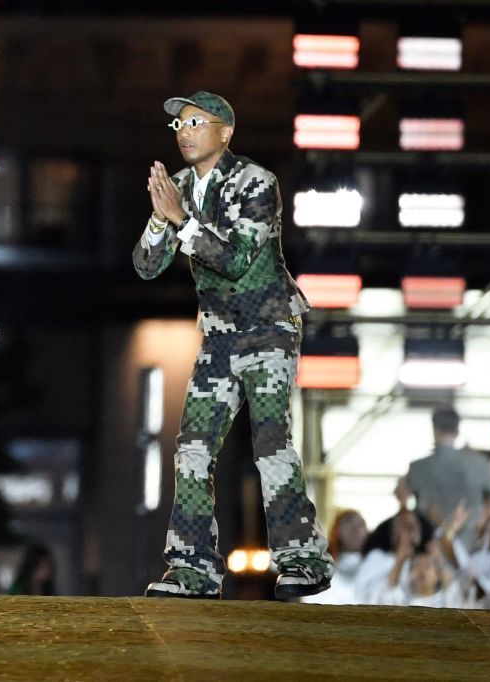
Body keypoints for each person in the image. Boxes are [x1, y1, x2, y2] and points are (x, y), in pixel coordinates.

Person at [134, 91, 333, 600]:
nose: (184, 130)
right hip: (220, 334)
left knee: (270, 441)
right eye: (178, 123)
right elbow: (145, 266)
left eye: (196, 121)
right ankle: (194, 570)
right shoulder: (177, 188)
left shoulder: (256, 182)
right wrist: (161, 220)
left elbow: (238, 258)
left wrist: (180, 220)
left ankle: (303, 560)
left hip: (268, 326)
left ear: (225, 132)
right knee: (192, 449)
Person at [401, 408, 490, 550]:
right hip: (469, 548)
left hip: (429, 549)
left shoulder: (417, 468)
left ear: (434, 430)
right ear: (458, 430)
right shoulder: (478, 464)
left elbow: (402, 496)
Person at [304, 509, 366, 605]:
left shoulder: (377, 562)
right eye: (348, 522)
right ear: (337, 530)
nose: (355, 529)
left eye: (361, 524)